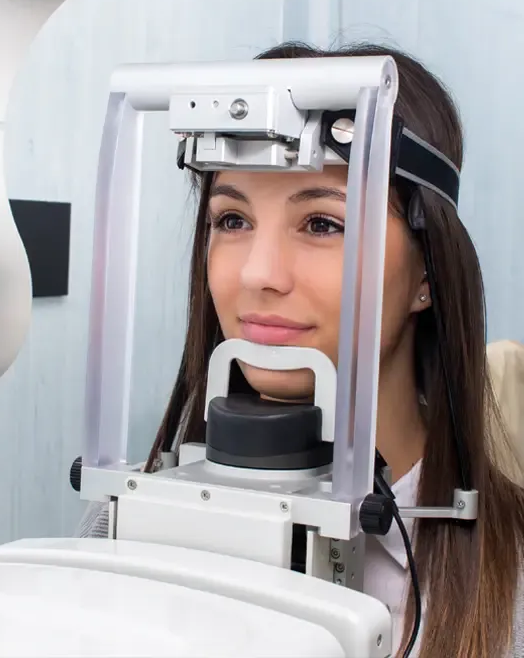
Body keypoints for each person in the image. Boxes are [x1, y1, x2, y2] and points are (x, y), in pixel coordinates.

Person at [78, 42, 524, 657]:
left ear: (427, 273)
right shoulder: (126, 526)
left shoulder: (514, 576)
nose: (258, 275)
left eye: (322, 224)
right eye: (231, 220)